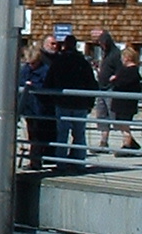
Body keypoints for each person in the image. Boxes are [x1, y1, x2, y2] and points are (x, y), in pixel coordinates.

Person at [50, 35, 98, 166]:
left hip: (62, 101)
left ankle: (61, 162)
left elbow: (50, 81)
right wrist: (90, 102)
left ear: (65, 45)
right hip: (80, 103)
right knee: (79, 134)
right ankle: (79, 162)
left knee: (62, 134)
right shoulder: (82, 62)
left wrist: (51, 98)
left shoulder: (59, 61)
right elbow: (92, 83)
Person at [19, 42, 56, 171]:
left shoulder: (45, 70)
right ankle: (34, 160)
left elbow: (46, 85)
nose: (31, 66)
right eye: (29, 63)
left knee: (38, 136)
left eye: (33, 63)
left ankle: (36, 161)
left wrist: (33, 85)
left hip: (41, 108)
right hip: (29, 107)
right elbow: (21, 81)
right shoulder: (26, 69)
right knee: (32, 134)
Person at [108, 46, 142, 153]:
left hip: (125, 103)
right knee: (123, 124)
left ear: (127, 57)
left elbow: (121, 83)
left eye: (123, 57)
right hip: (125, 102)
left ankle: (127, 145)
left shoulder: (130, 71)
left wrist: (114, 80)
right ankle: (131, 143)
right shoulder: (132, 71)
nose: (121, 59)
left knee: (124, 125)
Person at [91, 29, 120, 148]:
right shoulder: (104, 54)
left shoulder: (115, 53)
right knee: (102, 115)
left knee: (114, 115)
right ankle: (103, 141)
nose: (101, 45)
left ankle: (127, 140)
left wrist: (115, 76)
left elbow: (120, 69)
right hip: (101, 87)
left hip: (111, 88)